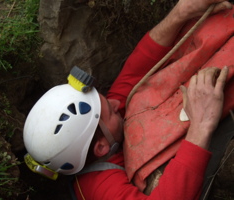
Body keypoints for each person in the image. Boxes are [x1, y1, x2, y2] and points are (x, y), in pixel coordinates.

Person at [23, 0, 233, 199]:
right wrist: (201, 125)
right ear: (101, 147)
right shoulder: (100, 188)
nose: (117, 104)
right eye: (111, 112)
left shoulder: (99, 132)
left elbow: (136, 70)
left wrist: (181, 12)